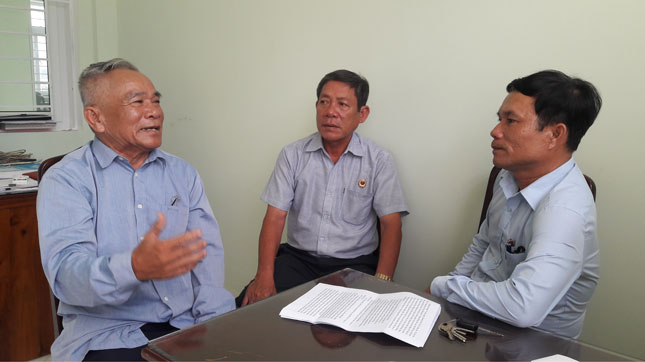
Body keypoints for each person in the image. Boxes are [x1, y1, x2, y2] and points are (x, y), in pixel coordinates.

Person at [37, 58, 235, 361]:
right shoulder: (66, 179)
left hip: (184, 323)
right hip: (108, 332)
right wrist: (133, 267)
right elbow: (67, 276)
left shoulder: (183, 173)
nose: (154, 110)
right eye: (137, 101)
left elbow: (207, 257)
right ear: (97, 119)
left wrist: (219, 325)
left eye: (155, 100)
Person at [429, 70, 602, 339]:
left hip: (533, 343)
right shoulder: (509, 177)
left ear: (555, 134)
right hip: (474, 320)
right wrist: (444, 296)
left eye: (510, 120)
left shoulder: (565, 209)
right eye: (499, 119)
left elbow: (523, 306)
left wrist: (445, 286)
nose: (495, 131)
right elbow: (484, 244)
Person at [239, 70, 409, 306]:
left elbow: (391, 224)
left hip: (354, 266)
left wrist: (382, 283)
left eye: (342, 104)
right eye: (324, 102)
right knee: (248, 307)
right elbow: (275, 217)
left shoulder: (378, 160)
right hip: (299, 260)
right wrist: (264, 276)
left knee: (342, 330)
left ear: (362, 114)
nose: (331, 112)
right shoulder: (293, 155)